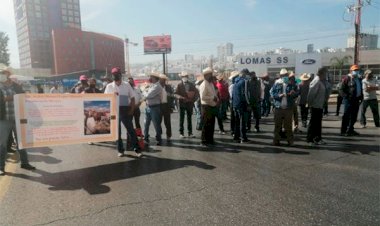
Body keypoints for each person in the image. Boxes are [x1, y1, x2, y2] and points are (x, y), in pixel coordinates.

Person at [0, 67, 36, 171]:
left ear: (8, 74)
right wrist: (5, 99)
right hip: (3, 119)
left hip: (18, 119)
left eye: (3, 73)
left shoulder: (16, 86)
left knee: (21, 142)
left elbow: (23, 97)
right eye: (0, 73)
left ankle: (25, 163)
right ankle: (1, 167)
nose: (1, 74)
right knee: (2, 144)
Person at [104, 67, 141, 157]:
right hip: (114, 111)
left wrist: (132, 110)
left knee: (131, 130)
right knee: (117, 132)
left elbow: (132, 98)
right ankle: (120, 150)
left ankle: (137, 149)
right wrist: (107, 113)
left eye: (117, 74)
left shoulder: (127, 85)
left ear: (120, 75)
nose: (115, 76)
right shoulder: (109, 86)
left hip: (125, 110)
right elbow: (105, 99)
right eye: (114, 75)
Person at [270, 68, 299, 146]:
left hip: (288, 108)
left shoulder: (292, 84)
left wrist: (294, 93)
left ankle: (290, 141)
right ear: (280, 76)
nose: (284, 76)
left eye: (285, 75)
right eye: (283, 75)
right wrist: (278, 95)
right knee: (277, 126)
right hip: (278, 108)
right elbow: (272, 94)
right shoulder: (276, 83)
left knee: (288, 126)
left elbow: (297, 93)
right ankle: (276, 141)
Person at [307, 68, 330, 146]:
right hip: (315, 105)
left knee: (318, 123)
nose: (326, 75)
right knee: (313, 123)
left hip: (320, 105)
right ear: (321, 73)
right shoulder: (316, 81)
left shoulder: (322, 81)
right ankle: (309, 140)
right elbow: (311, 94)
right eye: (325, 73)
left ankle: (317, 138)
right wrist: (309, 104)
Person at [340, 64, 363, 136]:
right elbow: (341, 89)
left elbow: (360, 89)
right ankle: (343, 131)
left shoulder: (359, 78)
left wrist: (360, 97)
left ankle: (350, 130)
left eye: (357, 70)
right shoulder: (347, 78)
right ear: (351, 71)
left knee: (354, 116)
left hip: (356, 100)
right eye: (355, 70)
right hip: (349, 100)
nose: (356, 71)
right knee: (346, 115)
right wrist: (346, 97)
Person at [199, 67, 219, 146]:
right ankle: (204, 141)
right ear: (206, 75)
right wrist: (212, 98)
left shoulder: (210, 84)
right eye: (210, 74)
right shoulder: (203, 84)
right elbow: (202, 97)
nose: (211, 76)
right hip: (206, 107)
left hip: (212, 106)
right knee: (206, 125)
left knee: (211, 124)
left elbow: (214, 94)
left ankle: (210, 140)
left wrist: (216, 99)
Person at [175, 71, 198, 138]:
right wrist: (181, 97)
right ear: (181, 77)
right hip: (182, 103)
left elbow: (196, 93)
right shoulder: (179, 85)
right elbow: (176, 94)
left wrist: (193, 100)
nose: (184, 78)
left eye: (186, 76)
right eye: (183, 77)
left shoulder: (191, 84)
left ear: (187, 77)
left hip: (189, 104)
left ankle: (190, 133)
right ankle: (181, 133)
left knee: (189, 118)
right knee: (181, 119)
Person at [143, 73, 163, 146]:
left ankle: (158, 138)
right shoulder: (152, 85)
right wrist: (145, 91)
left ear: (155, 78)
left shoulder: (157, 86)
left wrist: (144, 90)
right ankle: (145, 138)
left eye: (151, 77)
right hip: (148, 107)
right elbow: (147, 95)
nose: (150, 78)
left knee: (156, 124)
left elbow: (148, 95)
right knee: (146, 124)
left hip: (155, 107)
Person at [232, 69, 251, 143]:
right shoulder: (244, 81)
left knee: (237, 121)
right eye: (247, 74)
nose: (248, 76)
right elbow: (246, 93)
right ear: (244, 74)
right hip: (242, 104)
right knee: (242, 121)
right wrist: (248, 103)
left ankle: (236, 137)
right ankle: (243, 138)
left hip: (235, 104)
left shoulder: (236, 81)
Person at [159, 73, 175, 143]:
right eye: (162, 79)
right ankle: (159, 135)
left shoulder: (168, 87)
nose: (163, 81)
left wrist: (172, 107)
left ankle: (169, 136)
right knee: (158, 122)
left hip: (167, 106)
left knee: (167, 122)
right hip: (159, 106)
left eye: (164, 79)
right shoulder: (157, 87)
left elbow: (172, 98)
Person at [228, 71, 239, 137]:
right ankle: (232, 130)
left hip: (234, 102)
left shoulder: (234, 85)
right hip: (233, 103)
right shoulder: (232, 86)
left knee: (235, 118)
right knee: (233, 118)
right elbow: (232, 95)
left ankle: (234, 130)